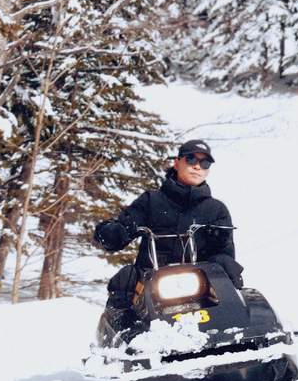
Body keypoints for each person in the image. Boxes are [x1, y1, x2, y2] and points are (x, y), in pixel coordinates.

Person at [93, 140, 243, 328]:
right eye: (191, 159)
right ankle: (120, 341)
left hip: (200, 285)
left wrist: (223, 261)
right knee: (126, 278)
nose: (197, 166)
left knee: (228, 268)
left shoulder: (216, 210)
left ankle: (237, 327)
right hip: (151, 281)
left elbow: (225, 251)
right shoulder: (151, 201)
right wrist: (114, 232)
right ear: (177, 162)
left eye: (205, 163)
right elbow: (119, 231)